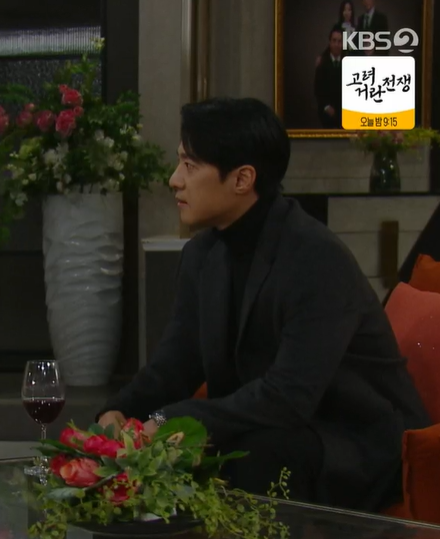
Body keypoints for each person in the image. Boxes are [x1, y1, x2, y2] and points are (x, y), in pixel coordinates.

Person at [97, 97, 430, 512]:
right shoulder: (202, 254)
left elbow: (290, 395)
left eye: (190, 166)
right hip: (272, 425)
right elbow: (176, 363)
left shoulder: (315, 258)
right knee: (143, 458)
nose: (174, 180)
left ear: (242, 179)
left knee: (252, 452)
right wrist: (118, 411)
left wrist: (169, 419)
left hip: (353, 439)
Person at [314, 26, 345, 129]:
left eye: (339, 41)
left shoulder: (348, 61)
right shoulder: (322, 63)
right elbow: (317, 89)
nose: (336, 44)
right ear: (330, 42)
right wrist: (326, 107)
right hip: (326, 115)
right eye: (334, 41)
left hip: (345, 115)